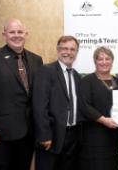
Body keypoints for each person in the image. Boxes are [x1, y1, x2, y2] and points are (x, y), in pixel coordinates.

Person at [0, 19, 43, 170]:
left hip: (29, 133)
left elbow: (38, 96)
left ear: (26, 34)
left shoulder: (36, 60)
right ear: (4, 34)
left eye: (20, 32)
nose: (16, 35)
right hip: (0, 134)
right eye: (12, 32)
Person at [33, 35, 81, 170]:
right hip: (51, 137)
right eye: (64, 48)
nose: (68, 52)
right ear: (58, 50)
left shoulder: (76, 76)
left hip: (72, 136)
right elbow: (39, 106)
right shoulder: (45, 71)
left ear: (76, 53)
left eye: (73, 49)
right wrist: (44, 135)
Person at [78, 46, 118, 170]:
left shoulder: (117, 82)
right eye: (100, 59)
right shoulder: (87, 81)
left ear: (112, 61)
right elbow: (84, 106)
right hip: (93, 136)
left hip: (112, 136)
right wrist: (104, 120)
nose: (104, 62)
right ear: (95, 61)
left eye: (107, 59)